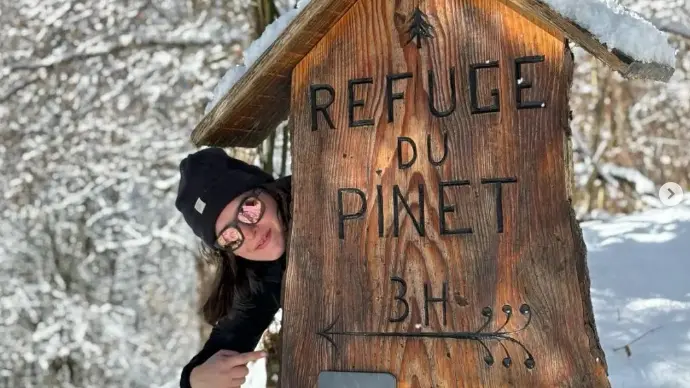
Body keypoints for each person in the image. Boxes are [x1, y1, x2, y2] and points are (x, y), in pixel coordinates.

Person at [174, 147, 292, 388]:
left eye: (249, 209)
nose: (249, 233)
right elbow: (227, 341)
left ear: (265, 190)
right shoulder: (263, 273)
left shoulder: (328, 187)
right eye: (230, 236)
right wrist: (195, 380)